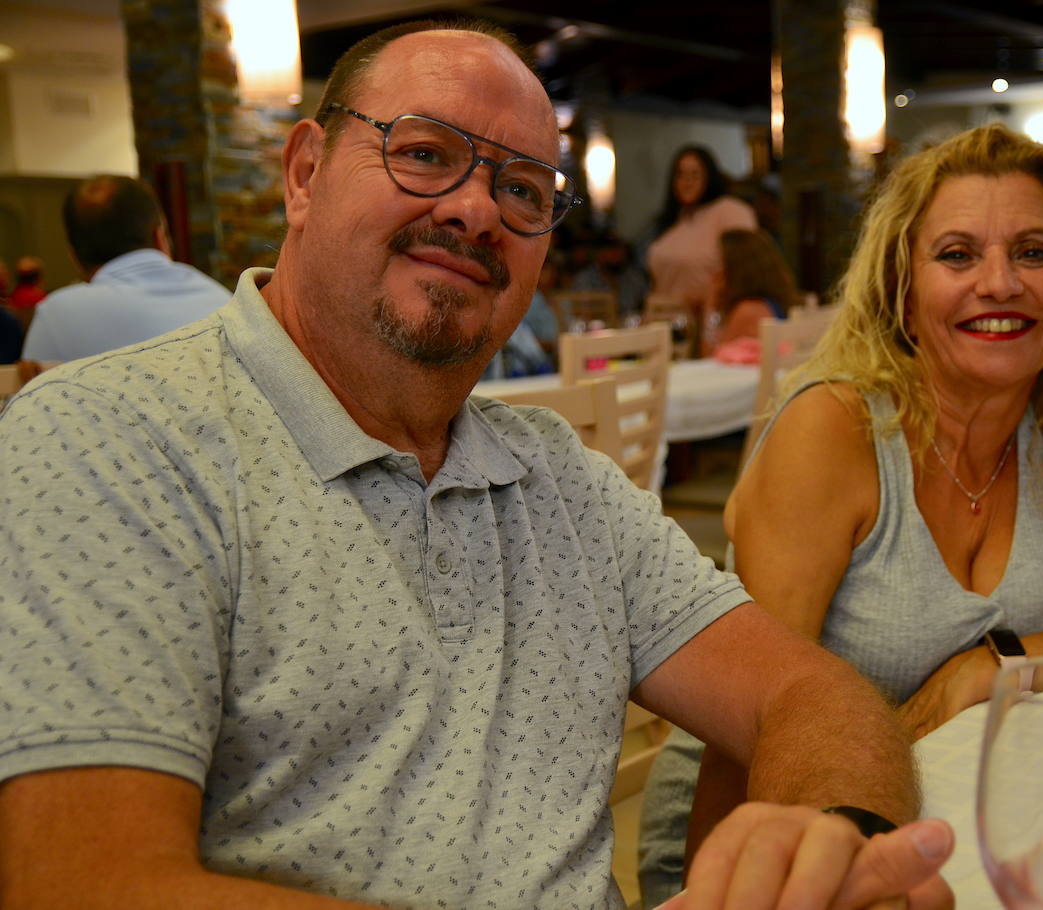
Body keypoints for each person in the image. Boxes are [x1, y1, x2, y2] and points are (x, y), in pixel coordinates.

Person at [0, 19, 956, 910]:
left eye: (523, 191)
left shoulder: (558, 476)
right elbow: (88, 881)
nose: (475, 211)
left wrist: (835, 836)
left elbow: (811, 692)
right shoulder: (109, 443)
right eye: (424, 153)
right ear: (304, 173)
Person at [639, 123, 1043, 906]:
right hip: (760, 841)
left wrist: (998, 662)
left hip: (951, 804)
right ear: (902, 291)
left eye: (1034, 253)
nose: (1000, 283)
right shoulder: (837, 429)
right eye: (957, 255)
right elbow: (745, 719)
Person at [21, 175, 229, 362]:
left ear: (75, 259)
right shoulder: (223, 300)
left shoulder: (58, 316)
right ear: (160, 237)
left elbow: (25, 400)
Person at [645, 145, 756, 316]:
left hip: (707, 319)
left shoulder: (729, 211)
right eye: (681, 175)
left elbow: (743, 272)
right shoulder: (674, 219)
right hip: (664, 319)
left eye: (695, 175)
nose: (687, 182)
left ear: (709, 177)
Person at [704, 228, 800, 354]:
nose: (715, 272)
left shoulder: (747, 310)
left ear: (736, 268)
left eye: (719, 263)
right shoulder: (770, 303)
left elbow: (710, 358)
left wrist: (710, 305)